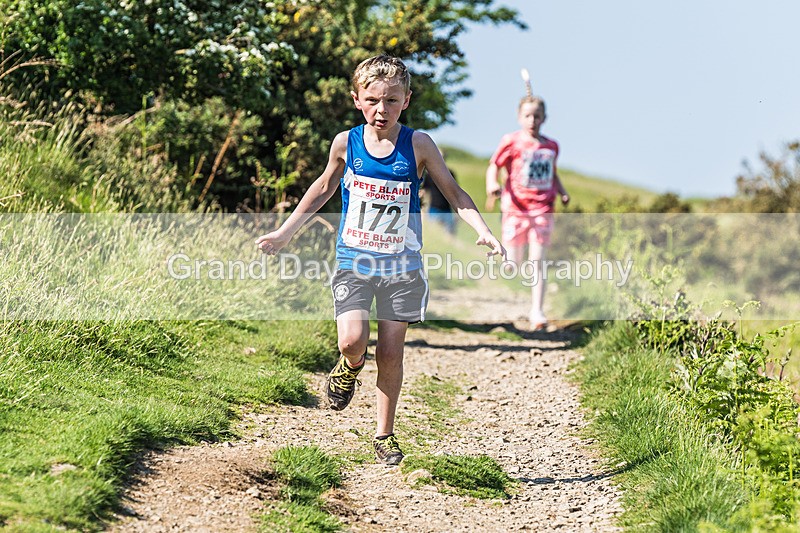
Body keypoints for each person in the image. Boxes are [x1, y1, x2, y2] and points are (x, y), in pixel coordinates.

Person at [256, 55, 505, 465]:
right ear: (357, 99)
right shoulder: (346, 143)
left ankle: (384, 435)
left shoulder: (419, 145)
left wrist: (482, 228)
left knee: (390, 353)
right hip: (354, 260)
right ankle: (350, 365)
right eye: (372, 100)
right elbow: (322, 188)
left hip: (402, 268)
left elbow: (454, 192)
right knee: (351, 340)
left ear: (406, 100)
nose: (381, 109)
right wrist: (285, 232)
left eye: (391, 100)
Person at [485, 83, 569, 331]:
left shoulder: (551, 146)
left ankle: (537, 312)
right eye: (528, 116)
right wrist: (492, 184)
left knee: (538, 261)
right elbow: (494, 165)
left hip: (543, 209)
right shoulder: (511, 141)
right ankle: (504, 272)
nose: (532, 120)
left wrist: (562, 192)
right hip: (515, 208)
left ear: (544, 118)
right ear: (519, 117)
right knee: (513, 263)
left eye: (537, 116)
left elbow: (552, 173)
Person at [421, 150, 458, 235]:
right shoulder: (429, 175)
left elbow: (456, 193)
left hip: (447, 210)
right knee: (434, 235)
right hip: (434, 210)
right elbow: (423, 192)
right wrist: (422, 211)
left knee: (450, 236)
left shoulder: (450, 174)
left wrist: (457, 213)